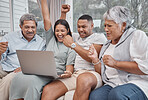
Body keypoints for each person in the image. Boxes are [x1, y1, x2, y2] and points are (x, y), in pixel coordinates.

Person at [9, 0, 76, 100]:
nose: (59, 33)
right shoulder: (51, 39)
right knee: (18, 78)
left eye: (62, 31)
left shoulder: (71, 46)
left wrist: (68, 73)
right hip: (40, 71)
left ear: (68, 31)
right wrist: (43, 2)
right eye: (57, 31)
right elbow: (46, 19)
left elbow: (69, 67)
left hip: (55, 75)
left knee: (32, 82)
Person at [41, 4, 107, 100]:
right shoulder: (76, 37)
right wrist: (63, 13)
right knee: (48, 89)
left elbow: (90, 58)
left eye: (84, 27)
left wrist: (73, 45)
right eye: (78, 27)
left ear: (92, 26)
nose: (80, 30)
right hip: (76, 74)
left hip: (92, 74)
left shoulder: (98, 37)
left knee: (83, 79)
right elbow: (62, 29)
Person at [87, 6, 148, 100]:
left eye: (109, 26)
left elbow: (145, 68)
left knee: (117, 94)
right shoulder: (107, 44)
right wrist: (95, 59)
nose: (106, 29)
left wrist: (116, 63)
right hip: (113, 84)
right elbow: (103, 73)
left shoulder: (136, 35)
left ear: (123, 25)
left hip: (136, 83)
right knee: (95, 96)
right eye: (105, 25)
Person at [0, 13, 45, 100]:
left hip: (20, 71)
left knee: (8, 80)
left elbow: (40, 63)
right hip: (5, 66)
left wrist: (25, 67)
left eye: (33, 27)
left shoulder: (41, 42)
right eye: (27, 27)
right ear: (21, 27)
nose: (30, 30)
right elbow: (1, 58)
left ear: (36, 27)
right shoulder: (9, 37)